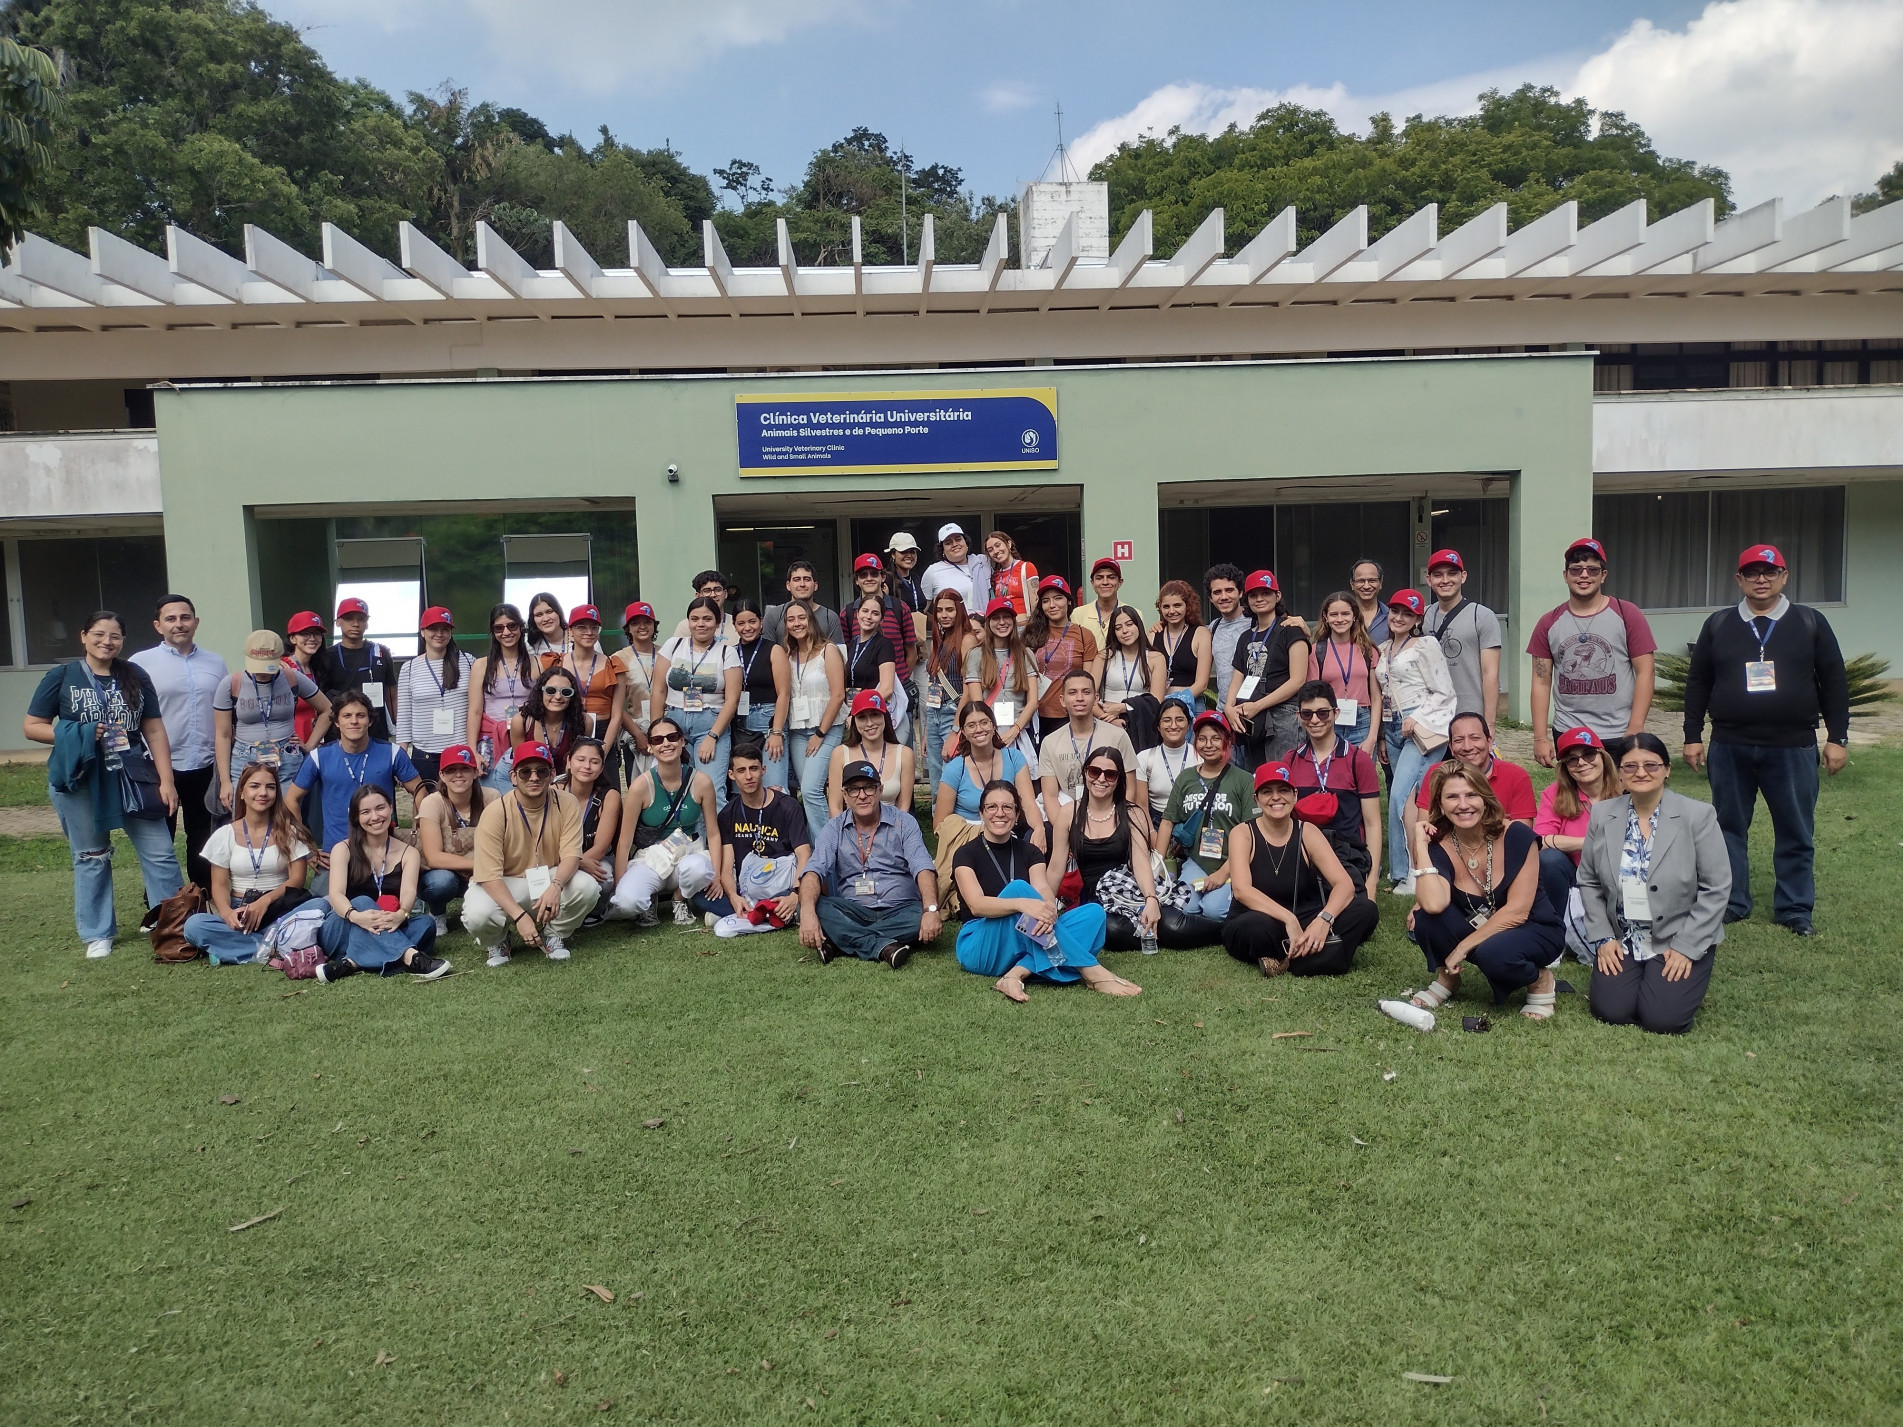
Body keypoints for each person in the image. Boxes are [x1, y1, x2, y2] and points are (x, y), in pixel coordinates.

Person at [1682, 542, 1850, 937]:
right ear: (1739, 579)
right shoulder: (1719, 624)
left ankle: (1794, 908)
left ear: (1784, 577)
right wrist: (1692, 735)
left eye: (1770, 572)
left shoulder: (1810, 622)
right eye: (1752, 572)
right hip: (1730, 744)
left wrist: (1837, 737)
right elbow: (1699, 681)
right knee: (1727, 828)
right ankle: (1733, 902)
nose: (1762, 579)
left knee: (1795, 829)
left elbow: (1834, 682)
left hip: (1792, 745)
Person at [25, 610, 184, 957]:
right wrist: (79, 734)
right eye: (98, 634)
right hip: (81, 778)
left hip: (133, 775)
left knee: (160, 852)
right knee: (91, 855)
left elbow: (154, 730)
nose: (106, 641)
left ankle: (173, 926)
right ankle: (98, 933)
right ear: (83, 636)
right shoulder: (62, 676)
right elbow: (32, 726)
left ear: (122, 641)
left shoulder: (135, 675)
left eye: (114, 636)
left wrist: (167, 781)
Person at [1579, 733, 1731, 1034]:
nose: (1641, 773)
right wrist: (1603, 937)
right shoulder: (1602, 814)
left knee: (1662, 1020)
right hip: (1623, 935)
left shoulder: (1697, 816)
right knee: (1610, 1010)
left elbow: (1717, 887)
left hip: (1679, 934)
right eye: (1630, 766)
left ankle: (1672, 981)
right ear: (1620, 773)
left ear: (1667, 769)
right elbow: (1588, 879)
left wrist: (1688, 946)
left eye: (1651, 765)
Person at [952, 779, 1140, 1002]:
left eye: (1007, 807)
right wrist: (1022, 903)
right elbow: (977, 904)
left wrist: (1047, 907)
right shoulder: (965, 854)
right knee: (1018, 889)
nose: (999, 813)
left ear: (1017, 813)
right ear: (981, 813)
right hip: (981, 945)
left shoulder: (1030, 851)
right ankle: (1089, 969)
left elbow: (1042, 888)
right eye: (992, 807)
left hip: (1026, 936)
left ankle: (1017, 973)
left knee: (1094, 913)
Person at [1404, 763, 1563, 1019]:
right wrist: (1420, 846)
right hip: (1481, 925)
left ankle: (1540, 980)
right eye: (1452, 797)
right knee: (1426, 919)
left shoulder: (1517, 836)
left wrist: (1462, 948)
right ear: (1440, 805)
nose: (1463, 804)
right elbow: (1434, 903)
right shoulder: (1438, 844)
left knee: (1495, 953)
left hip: (1534, 927)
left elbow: (1518, 911)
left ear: (1485, 798)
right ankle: (1448, 979)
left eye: (1471, 795)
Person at [1221, 759, 1380, 977]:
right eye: (1267, 792)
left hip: (1306, 915)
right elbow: (1241, 890)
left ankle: (1287, 959)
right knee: (1255, 927)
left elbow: (1344, 884)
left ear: (1295, 796)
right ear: (1256, 799)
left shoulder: (1308, 832)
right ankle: (1320, 956)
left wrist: (1324, 920)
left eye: (1283, 790)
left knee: (1366, 910)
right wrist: (1289, 919)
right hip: (1260, 918)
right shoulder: (1243, 833)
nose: (1276, 797)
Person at [1049, 746, 1212, 950]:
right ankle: (1154, 933)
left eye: (1110, 774)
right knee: (1111, 929)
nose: (1101, 779)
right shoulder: (1068, 813)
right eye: (1094, 771)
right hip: (1098, 896)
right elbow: (1056, 867)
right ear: (1085, 772)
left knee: (1172, 925)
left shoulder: (1132, 813)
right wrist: (1044, 908)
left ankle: (1224, 930)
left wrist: (1151, 900)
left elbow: (1140, 861)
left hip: (1135, 887)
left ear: (1118, 780)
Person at [464, 740, 598, 964]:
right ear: (514, 776)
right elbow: (488, 875)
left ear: (552, 774)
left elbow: (572, 856)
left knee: (588, 887)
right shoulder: (495, 812)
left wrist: (556, 886)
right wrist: (519, 916)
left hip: (547, 877)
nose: (534, 778)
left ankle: (554, 935)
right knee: (478, 914)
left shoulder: (567, 802)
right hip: (506, 881)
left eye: (541, 771)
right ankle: (498, 941)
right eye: (525, 772)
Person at [1527, 537, 1658, 764]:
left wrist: (1635, 728)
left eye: (1592, 570)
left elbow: (1646, 672)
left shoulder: (1627, 614)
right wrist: (1540, 737)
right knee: (1574, 799)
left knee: (1622, 798)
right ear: (1565, 575)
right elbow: (1541, 681)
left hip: (1619, 732)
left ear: (1603, 575)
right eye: (1576, 570)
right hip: (1569, 731)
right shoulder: (1549, 622)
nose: (1584, 575)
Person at [799, 756, 941, 966]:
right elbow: (814, 870)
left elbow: (922, 866)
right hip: (854, 910)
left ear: (880, 790)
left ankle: (840, 942)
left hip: (901, 909)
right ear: (844, 795)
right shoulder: (833, 828)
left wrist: (931, 910)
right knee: (808, 905)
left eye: (869, 788)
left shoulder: (904, 822)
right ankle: (884, 946)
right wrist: (807, 914)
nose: (862, 795)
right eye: (854, 790)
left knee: (918, 918)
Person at [130, 594, 226, 892]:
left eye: (185, 618)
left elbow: (225, 712)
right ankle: (158, 905)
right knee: (160, 838)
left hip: (205, 764)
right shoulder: (139, 663)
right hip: (158, 766)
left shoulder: (216, 662)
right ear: (158, 626)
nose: (179, 624)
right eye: (170, 619)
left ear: (195, 622)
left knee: (202, 836)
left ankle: (201, 896)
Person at [285, 690, 424, 889]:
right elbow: (291, 800)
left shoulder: (392, 753)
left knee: (405, 905)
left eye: (360, 715)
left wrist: (416, 830)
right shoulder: (319, 757)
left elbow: (420, 791)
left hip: (384, 852)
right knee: (321, 907)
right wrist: (306, 848)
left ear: (370, 721)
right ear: (336, 722)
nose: (354, 721)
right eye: (347, 716)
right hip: (335, 854)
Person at [312, 783, 447, 981]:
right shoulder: (343, 849)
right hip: (343, 927)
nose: (375, 817)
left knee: (426, 924)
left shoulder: (408, 852)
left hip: (387, 925)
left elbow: (408, 893)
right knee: (363, 901)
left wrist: (401, 915)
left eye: (380, 808)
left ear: (391, 808)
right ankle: (412, 957)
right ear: (356, 818)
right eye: (365, 812)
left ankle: (351, 963)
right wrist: (357, 916)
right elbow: (336, 895)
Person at [182, 760, 313, 964]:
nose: (263, 793)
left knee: (320, 905)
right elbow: (219, 885)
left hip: (280, 908)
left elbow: (297, 880)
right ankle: (275, 948)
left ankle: (234, 949)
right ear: (241, 792)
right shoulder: (225, 834)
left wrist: (264, 901)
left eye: (270, 787)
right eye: (255, 786)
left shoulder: (289, 831)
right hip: (240, 909)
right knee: (194, 925)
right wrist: (227, 914)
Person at [1374, 589, 1455, 893]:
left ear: (1417, 619)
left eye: (1407, 614)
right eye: (1395, 611)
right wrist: (1383, 734)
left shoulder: (1426, 645)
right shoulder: (1382, 649)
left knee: (1400, 796)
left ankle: (1413, 869)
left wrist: (1418, 717)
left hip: (1420, 727)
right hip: (1392, 726)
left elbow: (1444, 690)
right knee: (1408, 799)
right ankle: (1402, 871)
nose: (1399, 618)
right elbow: (1383, 694)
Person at [610, 715, 722, 927]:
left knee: (699, 868)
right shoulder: (640, 786)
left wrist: (715, 876)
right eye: (658, 740)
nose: (666, 744)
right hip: (651, 859)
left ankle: (680, 898)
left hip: (688, 855)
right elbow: (624, 842)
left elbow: (714, 834)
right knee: (626, 902)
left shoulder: (701, 782)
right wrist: (619, 882)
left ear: (682, 741)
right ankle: (647, 901)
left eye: (672, 737)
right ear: (650, 747)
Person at [933, 699, 1043, 912]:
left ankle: (1041, 895)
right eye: (971, 725)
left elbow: (1028, 802)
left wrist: (1038, 829)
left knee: (1039, 833)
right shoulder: (956, 768)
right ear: (963, 732)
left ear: (994, 726)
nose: (979, 729)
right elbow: (940, 822)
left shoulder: (1014, 757)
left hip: (1008, 827)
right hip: (970, 836)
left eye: (984, 722)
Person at [1285, 681, 1383, 900]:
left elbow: (1373, 823)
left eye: (1322, 712)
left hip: (1347, 855)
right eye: (1307, 714)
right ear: (1299, 716)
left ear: (1336, 713)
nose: (1315, 720)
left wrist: (1372, 881)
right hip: (1303, 855)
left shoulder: (1358, 759)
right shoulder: (1290, 760)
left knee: (1353, 912)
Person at [214, 629, 331, 812]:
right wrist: (225, 781)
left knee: (288, 819)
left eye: (267, 667)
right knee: (246, 821)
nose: (262, 674)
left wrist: (309, 745)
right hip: (245, 757)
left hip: (287, 756)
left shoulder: (292, 677)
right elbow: (223, 734)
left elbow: (328, 710)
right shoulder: (231, 683)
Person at [1156, 711, 1254, 919]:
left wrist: (1223, 874)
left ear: (1227, 741)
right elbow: (1167, 821)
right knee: (1186, 907)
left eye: (1216, 738)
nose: (1208, 745)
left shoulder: (1243, 780)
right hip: (1198, 861)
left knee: (1214, 910)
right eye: (1202, 739)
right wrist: (1157, 865)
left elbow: (1252, 833)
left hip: (1233, 861)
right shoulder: (1186, 777)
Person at [710, 740, 812, 937]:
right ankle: (764, 913)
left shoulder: (788, 806)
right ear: (731, 775)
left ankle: (757, 913)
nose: (748, 776)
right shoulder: (727, 814)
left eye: (754, 768)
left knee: (813, 892)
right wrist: (733, 896)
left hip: (784, 883)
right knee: (701, 895)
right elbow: (727, 866)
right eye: (741, 770)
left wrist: (795, 895)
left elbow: (804, 854)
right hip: (748, 889)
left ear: (763, 770)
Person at [653, 595, 742, 811]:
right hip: (674, 723)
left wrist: (713, 736)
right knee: (675, 788)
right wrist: (656, 731)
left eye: (707, 619)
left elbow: (732, 699)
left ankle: (716, 844)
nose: (700, 624)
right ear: (688, 622)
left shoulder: (727, 652)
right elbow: (658, 690)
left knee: (711, 789)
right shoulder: (673, 646)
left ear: (717, 622)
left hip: (711, 724)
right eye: (695, 619)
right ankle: (685, 843)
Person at [1223, 569, 1310, 769]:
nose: (1259, 599)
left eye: (1266, 593)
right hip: (1252, 717)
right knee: (1257, 777)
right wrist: (1229, 708)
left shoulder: (1291, 629)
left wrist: (1258, 705)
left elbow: (1298, 680)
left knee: (1283, 776)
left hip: (1284, 713)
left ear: (1277, 596)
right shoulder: (1246, 637)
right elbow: (1238, 677)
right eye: (1253, 595)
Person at [1534, 726, 1622, 918]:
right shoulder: (1555, 793)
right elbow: (1540, 840)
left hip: (1621, 871)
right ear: (1565, 767)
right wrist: (1589, 842)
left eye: (1589, 754)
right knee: (1549, 859)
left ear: (1603, 757)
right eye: (1572, 759)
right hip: (1576, 872)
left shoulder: (1625, 789)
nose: (1581, 763)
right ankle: (1557, 927)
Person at [782, 601, 848, 842]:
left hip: (826, 729)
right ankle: (814, 849)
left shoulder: (828, 650)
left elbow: (839, 694)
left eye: (802, 617)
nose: (797, 623)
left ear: (811, 620)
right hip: (798, 731)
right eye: (791, 619)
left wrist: (820, 733)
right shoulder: (787, 654)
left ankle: (826, 849)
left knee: (811, 791)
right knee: (808, 791)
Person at [1422, 548, 1502, 732]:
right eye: (1438, 575)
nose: (1445, 580)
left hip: (1469, 713)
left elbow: (1490, 674)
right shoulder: (1422, 616)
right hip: (1431, 714)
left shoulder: (1481, 616)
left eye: (1452, 574)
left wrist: (1489, 723)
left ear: (1463, 576)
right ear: (1429, 579)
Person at [392, 606, 474, 787]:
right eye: (433, 629)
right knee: (427, 810)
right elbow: (404, 715)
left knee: (461, 811)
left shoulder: (469, 662)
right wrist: (401, 755)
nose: (439, 634)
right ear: (422, 632)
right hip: (425, 754)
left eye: (445, 629)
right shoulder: (410, 668)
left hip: (460, 751)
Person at [1038, 669, 1138, 808]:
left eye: (1086, 692)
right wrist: (1063, 827)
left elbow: (1130, 788)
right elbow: (1050, 797)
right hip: (1067, 816)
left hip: (1110, 814)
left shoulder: (1117, 736)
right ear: (1062, 700)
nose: (1080, 698)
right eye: (1072, 693)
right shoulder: (1050, 742)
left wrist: (1115, 823)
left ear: (1096, 698)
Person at [841, 557, 916, 741]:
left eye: (874, 574)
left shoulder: (900, 608)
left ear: (883, 577)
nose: (869, 578)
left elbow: (911, 652)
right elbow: (852, 657)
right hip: (860, 703)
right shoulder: (847, 612)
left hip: (891, 698)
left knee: (897, 758)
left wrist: (899, 680)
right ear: (856, 580)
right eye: (863, 574)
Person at [415, 743, 485, 938]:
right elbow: (433, 858)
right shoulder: (432, 802)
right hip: (446, 873)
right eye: (451, 770)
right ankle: (437, 912)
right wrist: (477, 865)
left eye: (465, 768)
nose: (459, 775)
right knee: (441, 882)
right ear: (442, 776)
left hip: (482, 870)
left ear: (475, 772)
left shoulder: (492, 798)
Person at [468, 602, 536, 790]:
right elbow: (474, 711)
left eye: (511, 626)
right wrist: (472, 750)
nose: (506, 632)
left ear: (521, 628)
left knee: (525, 793)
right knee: (491, 796)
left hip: (525, 737)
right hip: (490, 741)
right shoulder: (481, 665)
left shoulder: (536, 663)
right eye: (499, 628)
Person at [311, 596, 399, 741]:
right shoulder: (326, 656)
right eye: (349, 618)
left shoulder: (381, 653)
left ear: (367, 623)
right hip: (338, 734)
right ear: (338, 622)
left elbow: (392, 695)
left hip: (376, 732)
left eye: (361, 619)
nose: (355, 624)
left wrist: (398, 728)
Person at [726, 598, 790, 792]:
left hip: (768, 720)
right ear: (734, 625)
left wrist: (776, 732)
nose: (747, 628)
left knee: (774, 786)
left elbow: (784, 693)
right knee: (743, 787)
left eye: (752, 621)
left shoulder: (774, 650)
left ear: (761, 621)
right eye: (741, 623)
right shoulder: (730, 653)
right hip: (740, 724)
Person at [964, 597, 1040, 758]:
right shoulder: (976, 654)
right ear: (988, 622)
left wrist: (1015, 730)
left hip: (1019, 730)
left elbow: (1033, 701)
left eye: (1006, 617)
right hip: (988, 730)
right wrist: (989, 731)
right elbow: (977, 703)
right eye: (996, 618)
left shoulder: (1026, 654)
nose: (1002, 622)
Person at [1027, 576, 1100, 744]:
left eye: (1058, 598)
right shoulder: (1031, 634)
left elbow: (1088, 680)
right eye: (1046, 601)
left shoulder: (1084, 635)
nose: (1052, 605)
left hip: (1069, 715)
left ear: (1068, 601)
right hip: (1034, 715)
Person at [558, 736, 620, 925]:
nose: (587, 766)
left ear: (601, 768)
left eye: (594, 762)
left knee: (605, 877)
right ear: (568, 761)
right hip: (558, 855)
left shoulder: (610, 795)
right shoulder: (554, 790)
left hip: (595, 857)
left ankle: (594, 912)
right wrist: (577, 862)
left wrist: (579, 862)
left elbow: (601, 847)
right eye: (580, 759)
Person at [1314, 590, 1383, 756]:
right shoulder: (1317, 650)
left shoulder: (1368, 650)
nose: (1339, 619)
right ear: (1325, 617)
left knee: (1361, 776)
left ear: (1354, 616)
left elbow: (1376, 697)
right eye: (1334, 614)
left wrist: (1372, 737)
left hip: (1362, 720)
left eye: (1345, 614)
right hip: (1329, 721)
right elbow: (1313, 696)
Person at [827, 690, 915, 814]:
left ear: (885, 716)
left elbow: (904, 807)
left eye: (875, 715)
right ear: (854, 721)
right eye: (862, 717)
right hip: (851, 828)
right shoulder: (840, 754)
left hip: (892, 827)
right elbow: (835, 807)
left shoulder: (904, 754)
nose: (869, 723)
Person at [920, 590, 972, 792]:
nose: (944, 615)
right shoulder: (938, 640)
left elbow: (969, 689)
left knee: (950, 777)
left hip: (954, 713)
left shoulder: (967, 640)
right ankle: (938, 823)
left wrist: (955, 730)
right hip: (934, 713)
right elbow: (934, 684)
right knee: (935, 780)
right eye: (939, 610)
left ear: (959, 610)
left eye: (950, 609)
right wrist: (926, 729)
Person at [1097, 605, 1166, 753]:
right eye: (1118, 627)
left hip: (1142, 724)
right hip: (1107, 722)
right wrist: (1111, 720)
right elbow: (1088, 695)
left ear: (1138, 626)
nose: (1125, 631)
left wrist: (1123, 707)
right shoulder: (1104, 656)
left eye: (1129, 624)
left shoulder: (1156, 658)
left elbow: (1156, 701)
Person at [559, 604, 625, 750]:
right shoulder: (558, 663)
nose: (589, 632)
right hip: (567, 729)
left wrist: (603, 751)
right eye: (582, 627)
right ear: (570, 631)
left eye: (594, 627)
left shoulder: (613, 665)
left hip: (603, 732)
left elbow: (617, 715)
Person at [612, 601, 660, 785]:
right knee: (639, 788)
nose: (642, 627)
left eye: (647, 622)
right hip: (635, 731)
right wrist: (638, 735)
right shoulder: (618, 658)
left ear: (654, 625)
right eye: (635, 623)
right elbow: (615, 704)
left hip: (664, 730)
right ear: (628, 628)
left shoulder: (666, 655)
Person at [510, 667, 585, 775]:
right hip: (528, 779)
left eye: (566, 692)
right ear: (541, 691)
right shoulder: (521, 721)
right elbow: (521, 766)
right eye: (551, 691)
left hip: (564, 783)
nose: (558, 697)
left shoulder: (583, 722)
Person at [1152, 581, 1211, 712]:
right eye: (1166, 606)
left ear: (1188, 606)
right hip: (1159, 706)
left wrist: (1176, 701)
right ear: (1160, 608)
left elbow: (1202, 684)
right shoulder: (1153, 635)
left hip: (1192, 705)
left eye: (1177, 605)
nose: (1171, 611)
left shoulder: (1201, 634)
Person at [1135, 699, 1194, 825]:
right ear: (1158, 726)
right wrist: (1151, 832)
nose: (1173, 726)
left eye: (1179, 719)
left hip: (1193, 822)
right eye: (1167, 720)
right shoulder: (1145, 758)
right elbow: (1141, 806)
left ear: (1188, 724)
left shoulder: (1200, 756)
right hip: (1156, 822)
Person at [761, 560, 844, 646]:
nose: (802, 584)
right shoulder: (773, 616)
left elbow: (839, 654)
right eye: (796, 580)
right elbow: (766, 655)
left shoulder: (830, 617)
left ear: (815, 585)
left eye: (807, 579)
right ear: (788, 585)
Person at [282, 611, 333, 750]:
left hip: (314, 743)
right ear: (292, 638)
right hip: (290, 745)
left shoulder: (318, 668)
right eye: (305, 633)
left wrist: (310, 746)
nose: (312, 638)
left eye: (317, 633)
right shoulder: (283, 668)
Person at [1203, 564, 1251, 702]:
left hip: (1251, 709)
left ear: (1240, 592)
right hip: (1223, 710)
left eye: (1229, 590)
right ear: (1210, 598)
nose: (1224, 597)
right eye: (1217, 592)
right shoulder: (1213, 627)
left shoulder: (1257, 621)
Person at [842, 590, 899, 705]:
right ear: (857, 614)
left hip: (871, 711)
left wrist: (863, 707)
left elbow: (887, 689)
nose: (868, 617)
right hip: (852, 708)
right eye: (865, 611)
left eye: (875, 613)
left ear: (881, 619)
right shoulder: (854, 642)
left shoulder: (884, 645)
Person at [920, 523, 991, 610]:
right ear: (942, 549)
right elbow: (923, 609)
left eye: (958, 539)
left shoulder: (982, 563)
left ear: (966, 543)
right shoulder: (932, 571)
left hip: (983, 622)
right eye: (948, 543)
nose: (954, 544)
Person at [670, 570, 739, 647]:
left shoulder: (737, 623)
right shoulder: (686, 626)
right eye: (707, 591)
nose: (713, 595)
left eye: (717, 590)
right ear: (698, 596)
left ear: (725, 594)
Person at [984, 530, 1039, 627]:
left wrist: (1034, 627)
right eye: (990, 550)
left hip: (1024, 627)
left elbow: (1035, 603)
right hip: (1002, 629)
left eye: (998, 545)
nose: (995, 551)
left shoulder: (1026, 567)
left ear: (1008, 544)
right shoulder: (994, 575)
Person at [1072, 556, 1124, 648]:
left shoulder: (1134, 614)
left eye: (1111, 577)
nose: (1105, 582)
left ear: (1120, 582)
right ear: (1092, 583)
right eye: (1099, 578)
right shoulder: (1078, 614)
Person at [1349, 559, 1390, 643]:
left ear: (1380, 583)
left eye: (1372, 581)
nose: (1366, 586)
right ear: (1352, 584)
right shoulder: (1342, 617)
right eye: (1361, 581)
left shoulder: (1392, 617)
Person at [885, 532, 925, 615]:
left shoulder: (915, 578)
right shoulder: (887, 579)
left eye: (912, 552)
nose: (909, 555)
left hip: (918, 626)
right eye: (903, 551)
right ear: (893, 554)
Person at [524, 592, 568, 664]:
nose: (546, 619)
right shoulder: (530, 647)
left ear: (559, 612)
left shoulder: (577, 638)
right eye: (539, 615)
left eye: (549, 612)